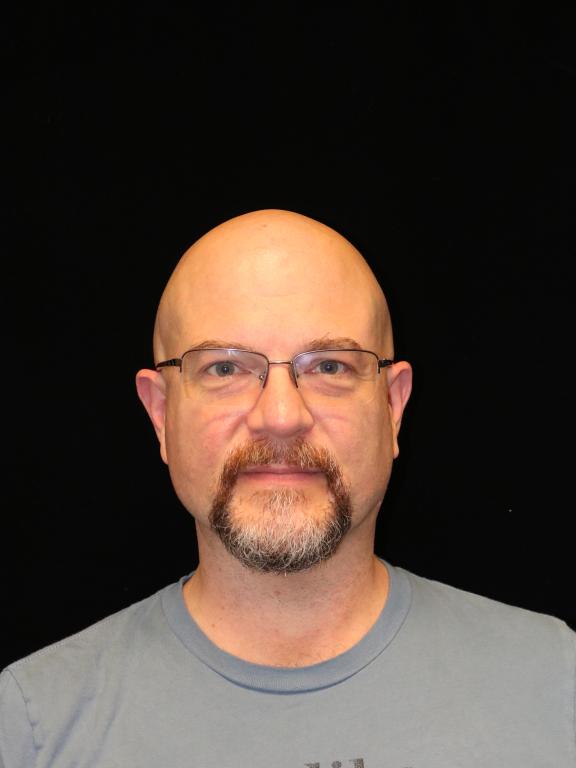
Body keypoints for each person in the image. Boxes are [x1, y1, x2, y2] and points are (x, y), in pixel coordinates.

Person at [0, 209, 574, 767]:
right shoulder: (31, 726)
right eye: (224, 368)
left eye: (329, 366)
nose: (280, 415)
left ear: (393, 408)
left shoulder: (556, 683)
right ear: (160, 415)